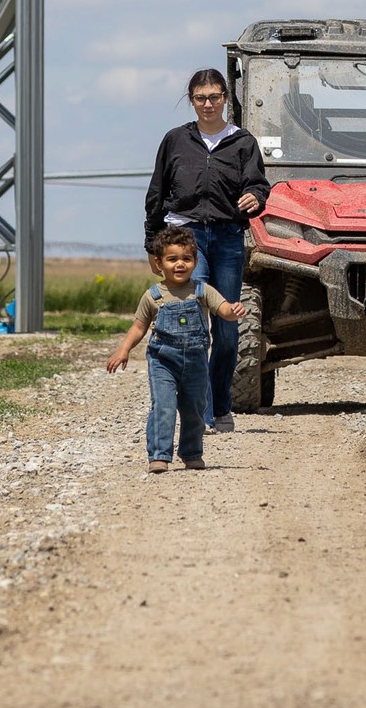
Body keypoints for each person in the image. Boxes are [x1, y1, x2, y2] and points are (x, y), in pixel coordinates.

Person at [143, 67, 269, 432]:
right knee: (194, 317)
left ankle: (222, 404)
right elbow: (156, 192)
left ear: (226, 99)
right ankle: (203, 412)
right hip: (185, 236)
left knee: (227, 324)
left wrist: (255, 197)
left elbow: (259, 186)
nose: (208, 104)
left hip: (228, 237)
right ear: (191, 100)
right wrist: (153, 243)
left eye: (215, 97)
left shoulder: (243, 142)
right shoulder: (175, 140)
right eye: (201, 98)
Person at [107, 227, 249, 472]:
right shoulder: (153, 296)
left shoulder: (202, 291)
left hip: (195, 363)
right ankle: (159, 455)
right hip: (163, 361)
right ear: (159, 263)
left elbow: (222, 308)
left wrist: (232, 311)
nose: (180, 264)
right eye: (172, 259)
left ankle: (192, 453)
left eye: (186, 258)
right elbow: (139, 327)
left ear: (195, 262)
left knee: (195, 409)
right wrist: (124, 349)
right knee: (163, 407)